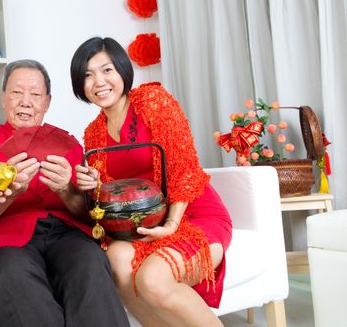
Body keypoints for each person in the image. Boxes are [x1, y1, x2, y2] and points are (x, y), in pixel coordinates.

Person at [71, 37, 233, 327]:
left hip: (192, 214)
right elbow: (114, 197)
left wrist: (170, 225)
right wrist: (94, 182)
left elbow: (184, 166)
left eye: (106, 70)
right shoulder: (93, 133)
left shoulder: (152, 102)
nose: (98, 81)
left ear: (122, 70)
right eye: (87, 75)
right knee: (116, 263)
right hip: (144, 223)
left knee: (152, 279)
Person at [0, 59, 130, 327]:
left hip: (67, 234)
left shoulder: (70, 145)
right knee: (17, 277)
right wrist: (10, 190)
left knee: (90, 263)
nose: (25, 102)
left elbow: (88, 215)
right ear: (3, 98)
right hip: (11, 239)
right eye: (16, 92)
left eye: (36, 94)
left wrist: (66, 189)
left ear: (47, 102)